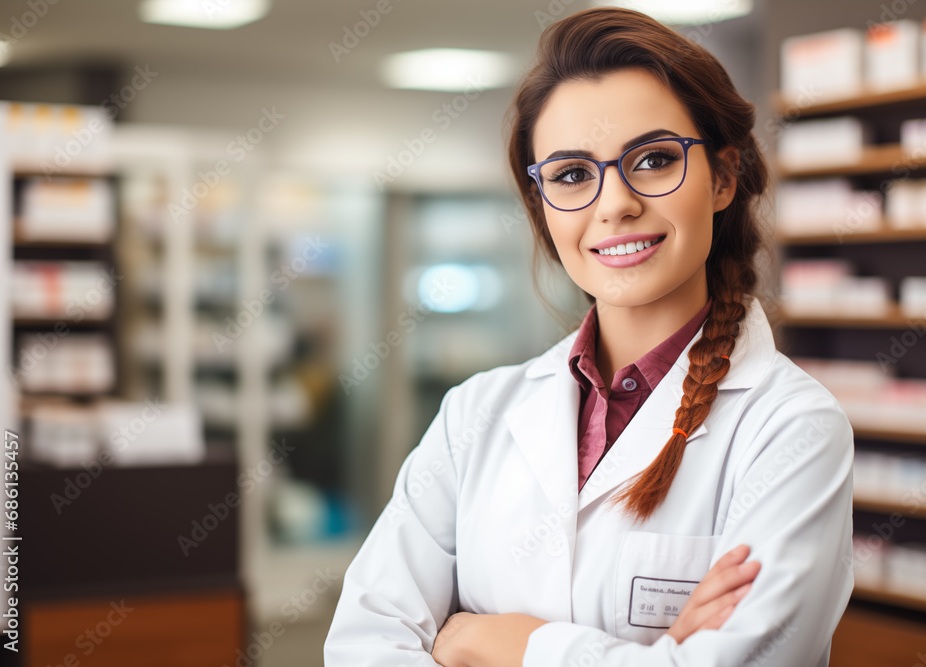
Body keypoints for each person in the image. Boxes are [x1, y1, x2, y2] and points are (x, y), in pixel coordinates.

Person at [323, 7, 854, 667]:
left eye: (654, 159)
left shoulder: (792, 429)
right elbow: (362, 646)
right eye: (573, 174)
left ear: (723, 176)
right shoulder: (474, 416)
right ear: (542, 204)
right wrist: (656, 654)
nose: (615, 204)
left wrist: (509, 644)